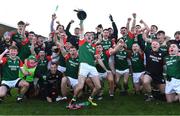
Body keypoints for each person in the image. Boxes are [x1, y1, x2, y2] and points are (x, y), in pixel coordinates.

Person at [68, 19, 101, 107]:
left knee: (98, 87)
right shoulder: (82, 42)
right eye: (87, 35)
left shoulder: (94, 47)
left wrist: (97, 58)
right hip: (84, 66)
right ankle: (73, 99)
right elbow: (82, 30)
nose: (89, 36)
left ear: (93, 37)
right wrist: (81, 21)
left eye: (91, 35)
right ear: (84, 37)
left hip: (92, 67)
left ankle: (90, 99)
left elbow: (96, 58)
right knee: (80, 86)